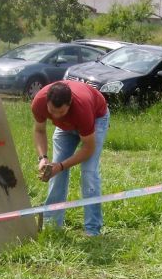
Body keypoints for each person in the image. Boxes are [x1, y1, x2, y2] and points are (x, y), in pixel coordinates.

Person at [31, 80, 110, 236]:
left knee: (89, 172)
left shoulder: (82, 108)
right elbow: (39, 130)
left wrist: (60, 166)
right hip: (66, 128)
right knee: (56, 174)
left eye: (61, 112)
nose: (55, 116)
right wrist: (43, 158)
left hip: (97, 118)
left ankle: (92, 230)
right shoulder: (38, 102)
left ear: (70, 103)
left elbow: (88, 148)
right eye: (52, 111)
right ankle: (52, 225)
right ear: (47, 101)